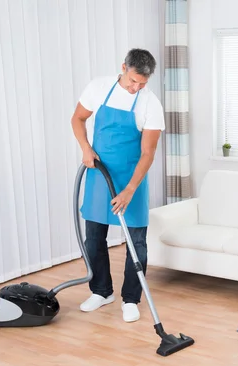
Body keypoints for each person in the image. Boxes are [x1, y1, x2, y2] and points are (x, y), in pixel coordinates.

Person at [71, 48, 165, 322]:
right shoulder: (99, 87)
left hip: (132, 178)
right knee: (94, 237)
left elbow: (148, 153)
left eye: (143, 83)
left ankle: (131, 299)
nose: (136, 88)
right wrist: (86, 148)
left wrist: (129, 190)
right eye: (133, 80)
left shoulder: (150, 104)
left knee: (137, 242)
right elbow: (77, 118)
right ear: (123, 67)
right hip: (99, 174)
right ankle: (101, 291)